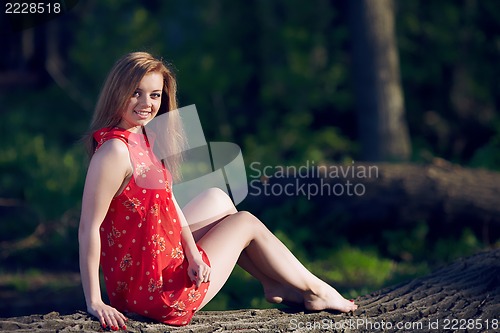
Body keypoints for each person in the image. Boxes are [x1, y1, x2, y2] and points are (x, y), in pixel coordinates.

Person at [78, 51, 358, 330]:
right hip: (157, 295)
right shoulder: (114, 151)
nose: (146, 103)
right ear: (118, 92)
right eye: (136, 93)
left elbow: (169, 202)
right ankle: (316, 289)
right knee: (245, 222)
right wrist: (95, 301)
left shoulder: (141, 138)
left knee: (218, 198)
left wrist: (193, 253)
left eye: (155, 95)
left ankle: (272, 281)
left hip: (153, 263)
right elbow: (89, 228)